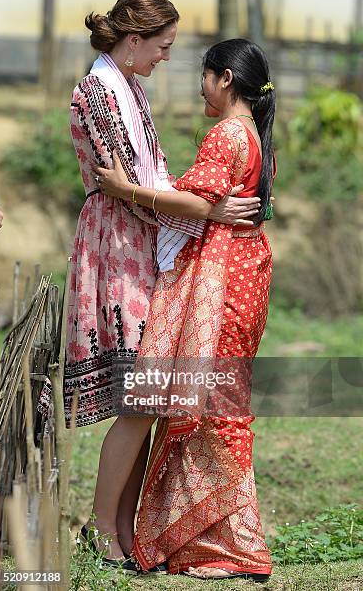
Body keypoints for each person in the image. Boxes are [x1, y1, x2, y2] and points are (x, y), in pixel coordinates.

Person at [36, 0, 262, 571]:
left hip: (144, 237)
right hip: (120, 242)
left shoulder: (129, 88)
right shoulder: (96, 94)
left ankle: (123, 532)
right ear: (132, 40)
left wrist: (196, 209)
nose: (166, 58)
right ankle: (101, 530)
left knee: (149, 396)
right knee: (140, 394)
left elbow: (144, 179)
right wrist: (204, 211)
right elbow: (124, 186)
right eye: (162, 46)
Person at [94, 37, 275, 581]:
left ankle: (215, 542)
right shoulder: (254, 138)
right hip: (242, 277)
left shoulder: (225, 134)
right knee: (217, 406)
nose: (200, 86)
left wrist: (125, 190)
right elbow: (208, 205)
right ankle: (212, 538)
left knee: (195, 405)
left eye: (204, 76)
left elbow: (194, 202)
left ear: (224, 79)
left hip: (218, 281)